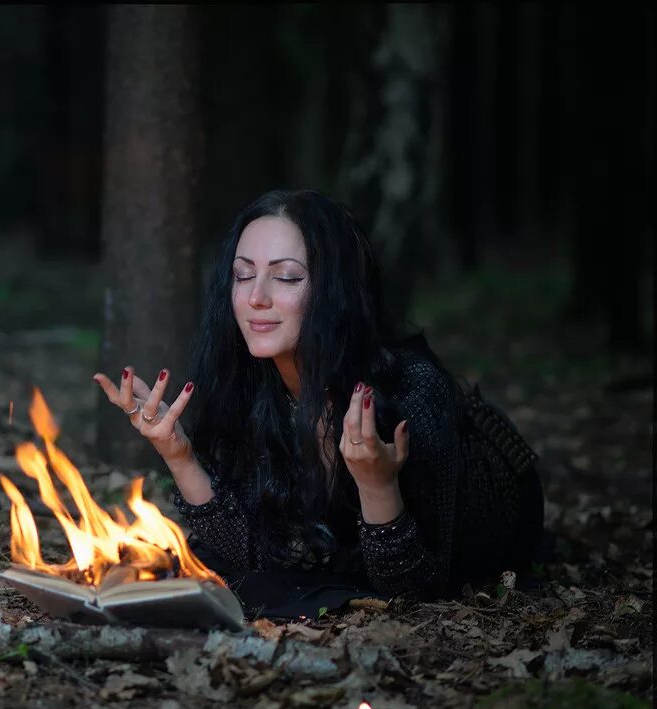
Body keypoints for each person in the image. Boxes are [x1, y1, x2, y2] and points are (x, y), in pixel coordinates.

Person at [93, 189, 546, 617]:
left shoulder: (409, 391)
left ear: (334, 290)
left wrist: (376, 485)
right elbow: (245, 553)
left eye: (286, 276)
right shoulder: (247, 381)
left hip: (499, 502)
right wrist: (180, 455)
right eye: (243, 274)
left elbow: (414, 589)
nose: (256, 298)